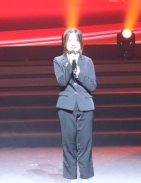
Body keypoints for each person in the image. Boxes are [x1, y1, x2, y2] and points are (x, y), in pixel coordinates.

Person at [54, 28, 97, 182]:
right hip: (66, 106)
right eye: (70, 40)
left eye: (76, 40)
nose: (73, 43)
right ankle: (71, 177)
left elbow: (92, 86)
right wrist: (70, 64)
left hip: (85, 106)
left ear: (81, 43)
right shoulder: (58, 60)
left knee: (85, 143)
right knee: (68, 143)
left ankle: (85, 177)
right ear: (65, 43)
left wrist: (79, 74)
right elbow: (62, 81)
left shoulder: (88, 61)